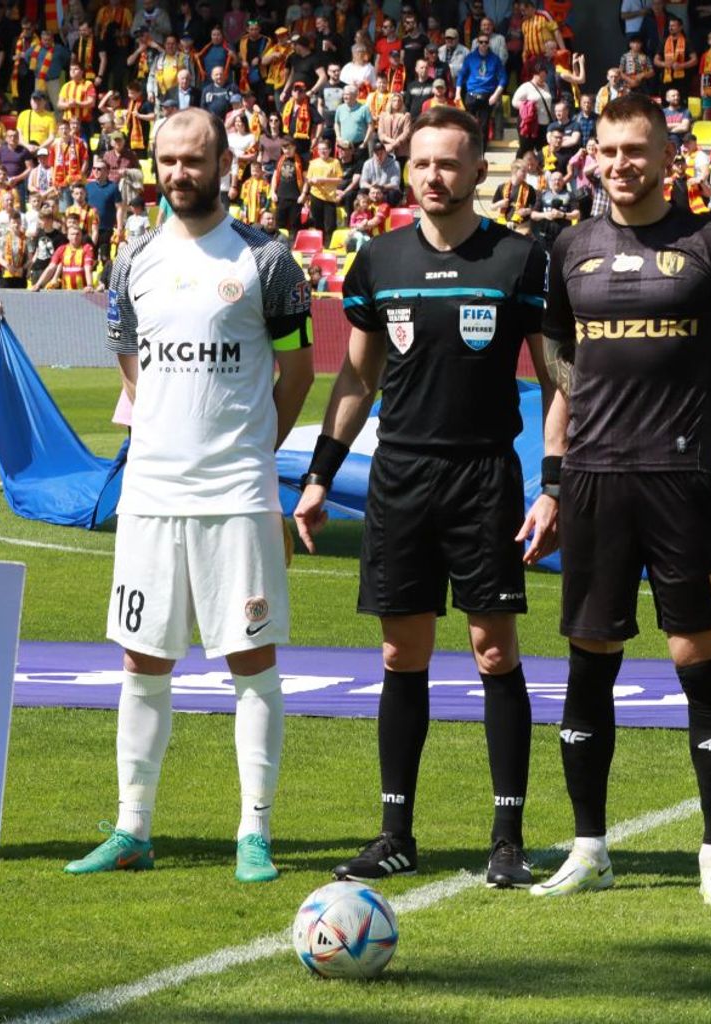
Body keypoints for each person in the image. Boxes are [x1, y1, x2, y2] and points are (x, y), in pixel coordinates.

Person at [531, 93, 711, 902]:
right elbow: (559, 368)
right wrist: (553, 479)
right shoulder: (568, 248)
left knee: (697, 661)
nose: (620, 164)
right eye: (608, 150)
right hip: (594, 483)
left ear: (669, 158)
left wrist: (706, 434)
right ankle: (589, 849)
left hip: (681, 484)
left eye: (635, 150)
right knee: (590, 659)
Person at [294, 106, 553, 890]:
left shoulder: (520, 259)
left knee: (493, 651)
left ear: (478, 171)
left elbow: (561, 380)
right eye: (421, 163)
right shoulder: (379, 259)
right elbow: (357, 376)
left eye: (448, 163)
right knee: (400, 654)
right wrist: (320, 473)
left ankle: (507, 839)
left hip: (484, 477)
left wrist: (557, 485)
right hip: (400, 479)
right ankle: (395, 833)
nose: (433, 176)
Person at [64, 107, 314, 883]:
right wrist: (164, 434)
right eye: (167, 160)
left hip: (236, 491)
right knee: (142, 658)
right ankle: (133, 828)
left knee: (251, 657)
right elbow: (130, 362)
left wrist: (250, 449)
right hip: (150, 493)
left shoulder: (267, 260)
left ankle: (255, 832)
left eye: (194, 160)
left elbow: (298, 372)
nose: (179, 173)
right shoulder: (132, 259)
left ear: (223, 165)